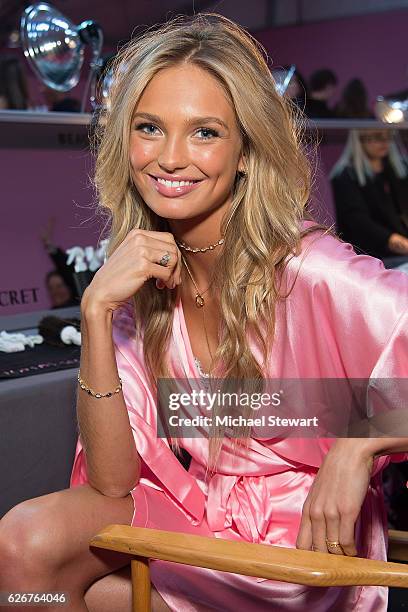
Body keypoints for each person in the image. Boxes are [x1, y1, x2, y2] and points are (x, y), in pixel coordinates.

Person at [0, 14, 407, 612]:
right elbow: (113, 482)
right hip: (203, 518)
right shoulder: (143, 281)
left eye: (205, 133)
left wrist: (356, 448)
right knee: (24, 549)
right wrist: (94, 310)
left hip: (304, 553)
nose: (169, 158)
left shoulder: (312, 271)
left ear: (246, 152)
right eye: (149, 127)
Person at [330, 129, 408, 271]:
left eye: (388, 136)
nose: (384, 142)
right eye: (377, 136)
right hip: (372, 259)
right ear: (359, 138)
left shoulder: (399, 169)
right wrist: (401, 244)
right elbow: (361, 224)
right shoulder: (345, 176)